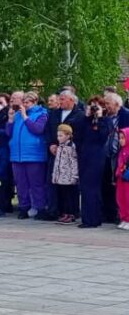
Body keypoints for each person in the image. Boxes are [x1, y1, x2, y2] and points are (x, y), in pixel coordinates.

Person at [6, 91, 49, 219]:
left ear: (35, 102)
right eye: (24, 102)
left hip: (34, 154)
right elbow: (9, 133)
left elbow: (37, 129)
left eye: (28, 102)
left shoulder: (42, 114)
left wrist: (25, 117)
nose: (25, 104)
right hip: (17, 155)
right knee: (21, 184)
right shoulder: (17, 115)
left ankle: (40, 208)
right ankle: (24, 207)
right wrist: (10, 119)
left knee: (36, 183)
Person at [77, 98, 111, 229]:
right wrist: (86, 116)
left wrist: (100, 117)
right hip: (84, 156)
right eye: (91, 106)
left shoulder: (105, 121)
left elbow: (103, 136)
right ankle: (89, 218)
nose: (93, 109)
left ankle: (93, 218)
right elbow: (78, 134)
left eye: (96, 107)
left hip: (97, 157)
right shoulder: (86, 121)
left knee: (92, 188)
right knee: (85, 188)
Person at [51, 123, 79, 225]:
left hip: (68, 178)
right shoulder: (60, 147)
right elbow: (57, 163)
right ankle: (65, 213)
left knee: (69, 197)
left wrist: (74, 176)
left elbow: (74, 163)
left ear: (68, 136)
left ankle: (71, 214)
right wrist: (55, 175)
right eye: (58, 136)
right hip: (61, 177)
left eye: (61, 136)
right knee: (63, 196)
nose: (58, 138)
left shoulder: (71, 147)